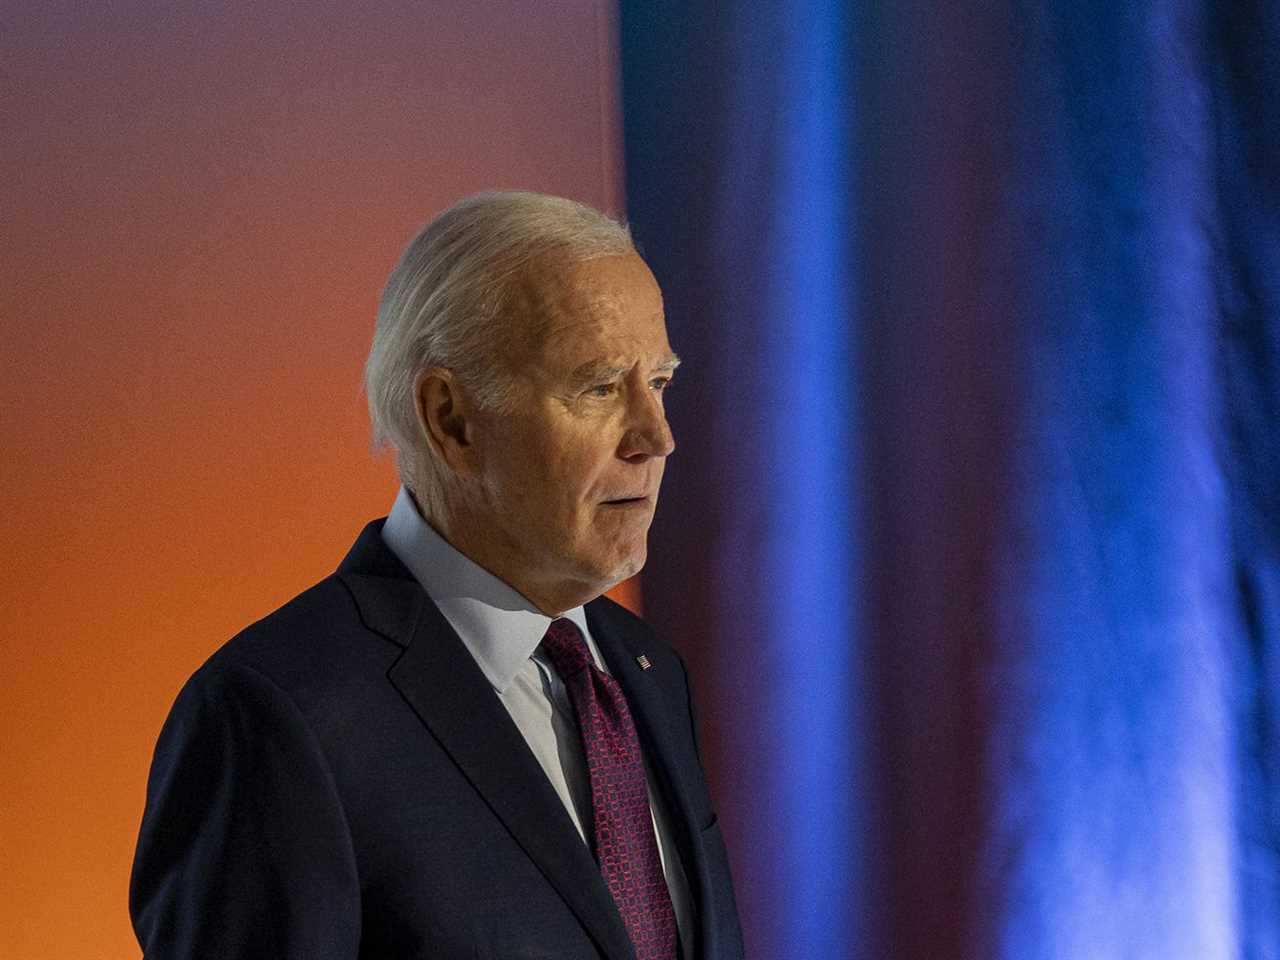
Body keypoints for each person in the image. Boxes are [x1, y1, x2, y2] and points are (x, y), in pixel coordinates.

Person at [129, 191, 744, 960]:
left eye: (658, 383)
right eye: (598, 387)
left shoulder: (647, 672)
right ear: (451, 419)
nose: (657, 437)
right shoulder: (277, 714)